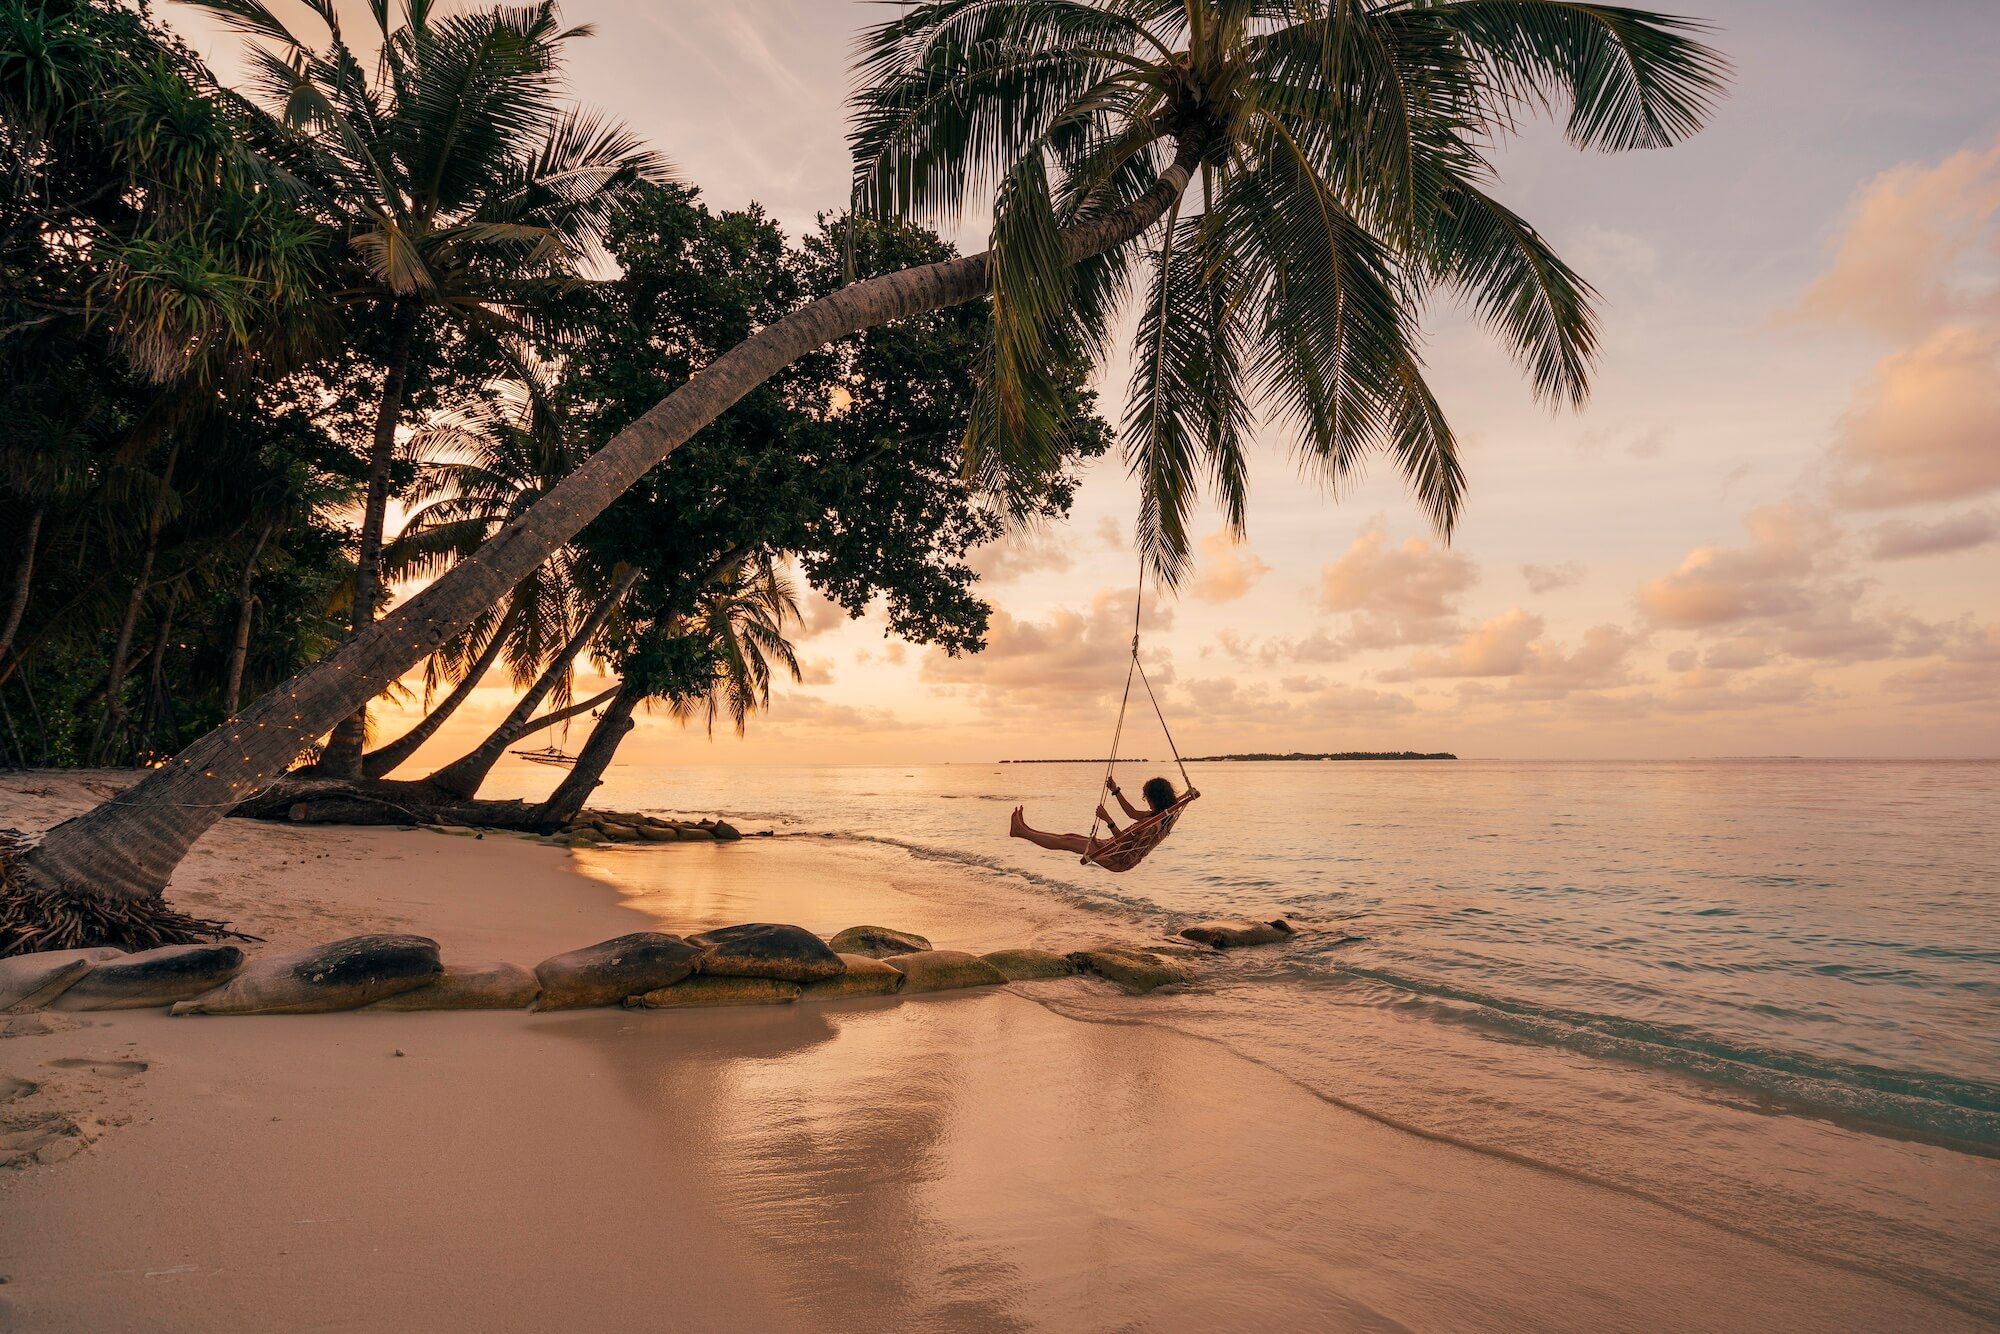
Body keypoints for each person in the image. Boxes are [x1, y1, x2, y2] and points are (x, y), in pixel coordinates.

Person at [1009, 776, 1192, 856]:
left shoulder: (1155, 825)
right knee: (1068, 837)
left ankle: (1022, 832)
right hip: (1112, 846)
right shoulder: (1161, 813)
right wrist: (1116, 790)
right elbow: (1132, 813)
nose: (1146, 800)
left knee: (1066, 842)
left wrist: (1108, 820)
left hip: (1117, 856)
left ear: (1156, 798)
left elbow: (1126, 844)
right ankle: (1024, 829)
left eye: (1147, 797)